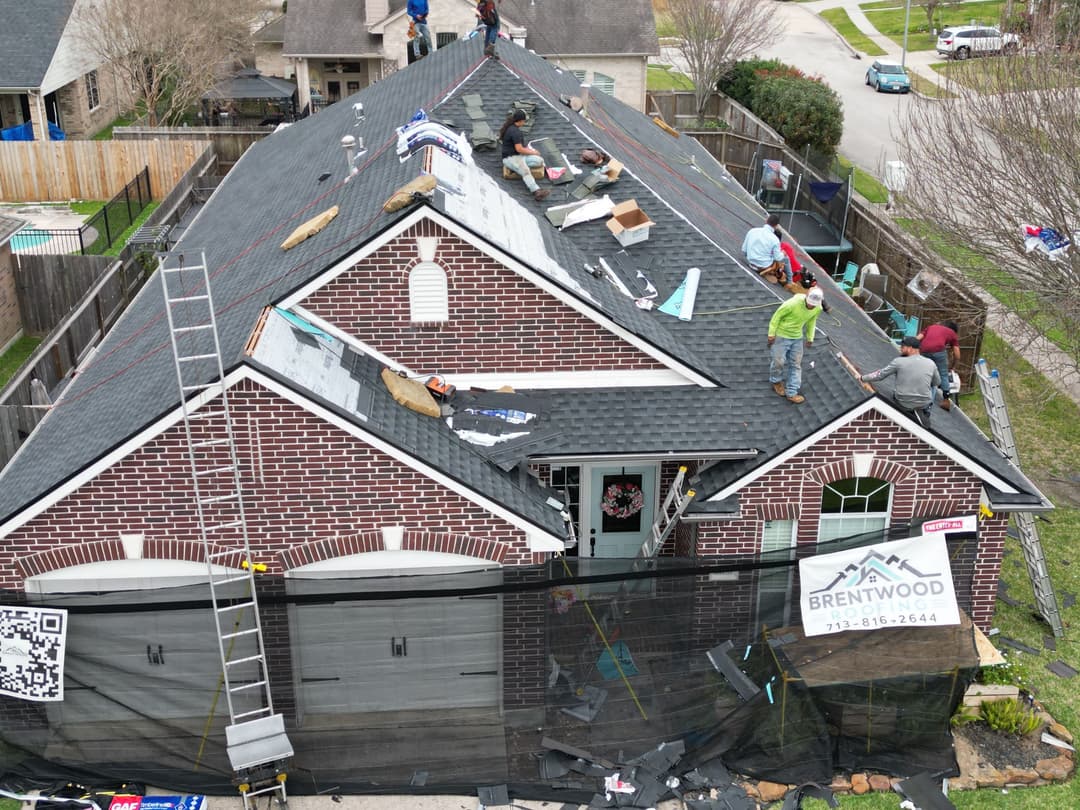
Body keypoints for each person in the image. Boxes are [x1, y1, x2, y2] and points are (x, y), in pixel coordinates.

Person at [861, 336, 941, 426]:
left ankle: (910, 407)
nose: (900, 349)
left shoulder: (898, 361)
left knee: (900, 389)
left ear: (910, 349)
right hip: (923, 403)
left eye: (903, 347)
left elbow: (880, 375)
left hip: (903, 401)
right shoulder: (931, 363)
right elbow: (937, 382)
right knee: (934, 385)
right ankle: (926, 411)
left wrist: (863, 378)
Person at [767, 286, 825, 404]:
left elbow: (811, 321)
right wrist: (771, 334)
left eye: (813, 305)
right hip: (781, 336)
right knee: (779, 362)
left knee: (796, 364)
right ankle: (776, 381)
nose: (811, 306)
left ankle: (792, 392)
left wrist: (810, 337)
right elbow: (776, 317)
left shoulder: (817, 308)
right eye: (810, 304)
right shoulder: (792, 304)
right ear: (807, 297)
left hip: (797, 338)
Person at [500, 110, 549, 201]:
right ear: (521, 121)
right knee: (526, 171)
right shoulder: (514, 132)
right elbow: (519, 149)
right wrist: (533, 152)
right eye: (524, 121)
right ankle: (536, 191)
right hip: (511, 158)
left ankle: (516, 168)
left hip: (520, 156)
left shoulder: (513, 128)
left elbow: (521, 149)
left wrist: (530, 151)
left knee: (539, 161)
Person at [917, 320, 960, 410]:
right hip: (939, 351)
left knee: (922, 370)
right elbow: (957, 354)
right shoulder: (952, 333)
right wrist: (953, 366)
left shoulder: (931, 327)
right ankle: (945, 400)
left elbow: (917, 338)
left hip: (924, 349)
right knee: (943, 374)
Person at [742, 214, 786, 285]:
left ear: (766, 221)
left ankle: (769, 271)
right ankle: (779, 275)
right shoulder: (775, 239)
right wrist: (783, 253)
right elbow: (778, 257)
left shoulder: (752, 231)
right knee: (782, 258)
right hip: (763, 266)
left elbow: (744, 250)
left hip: (750, 263)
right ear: (776, 226)